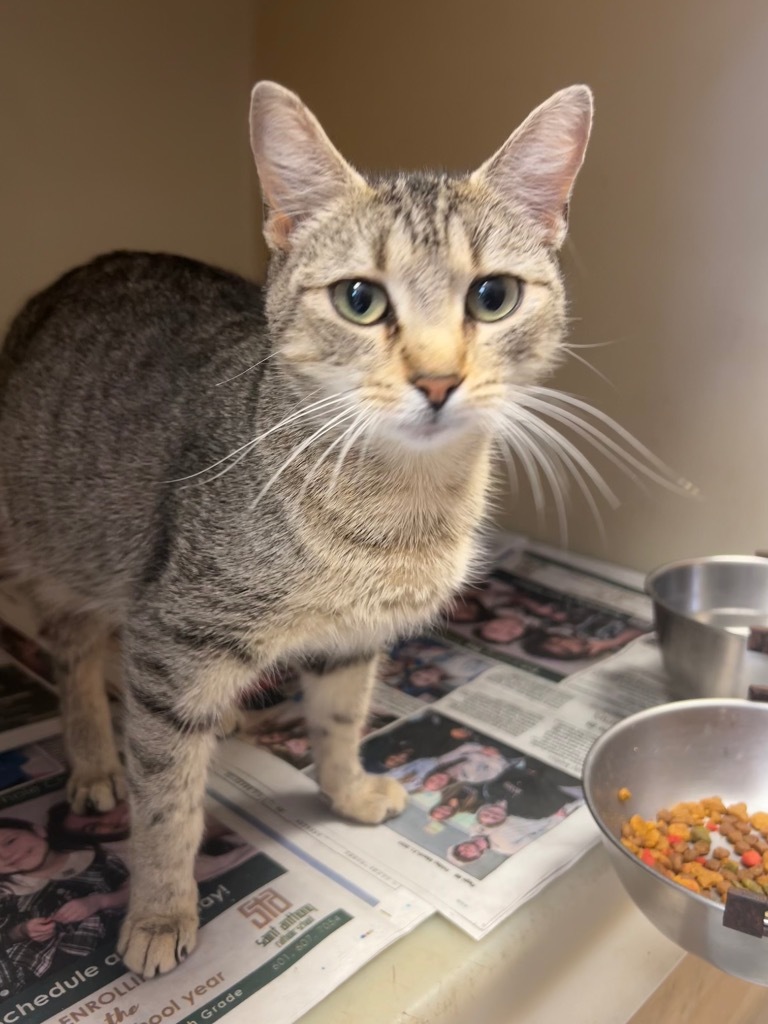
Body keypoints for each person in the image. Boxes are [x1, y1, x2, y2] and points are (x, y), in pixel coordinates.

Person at [0, 817, 129, 995]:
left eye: (10, 841)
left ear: (38, 830)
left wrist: (98, 901)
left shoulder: (95, 859)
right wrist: (22, 931)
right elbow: (5, 936)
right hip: (27, 973)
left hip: (96, 961)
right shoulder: (6, 893)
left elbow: (132, 892)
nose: (6, 855)